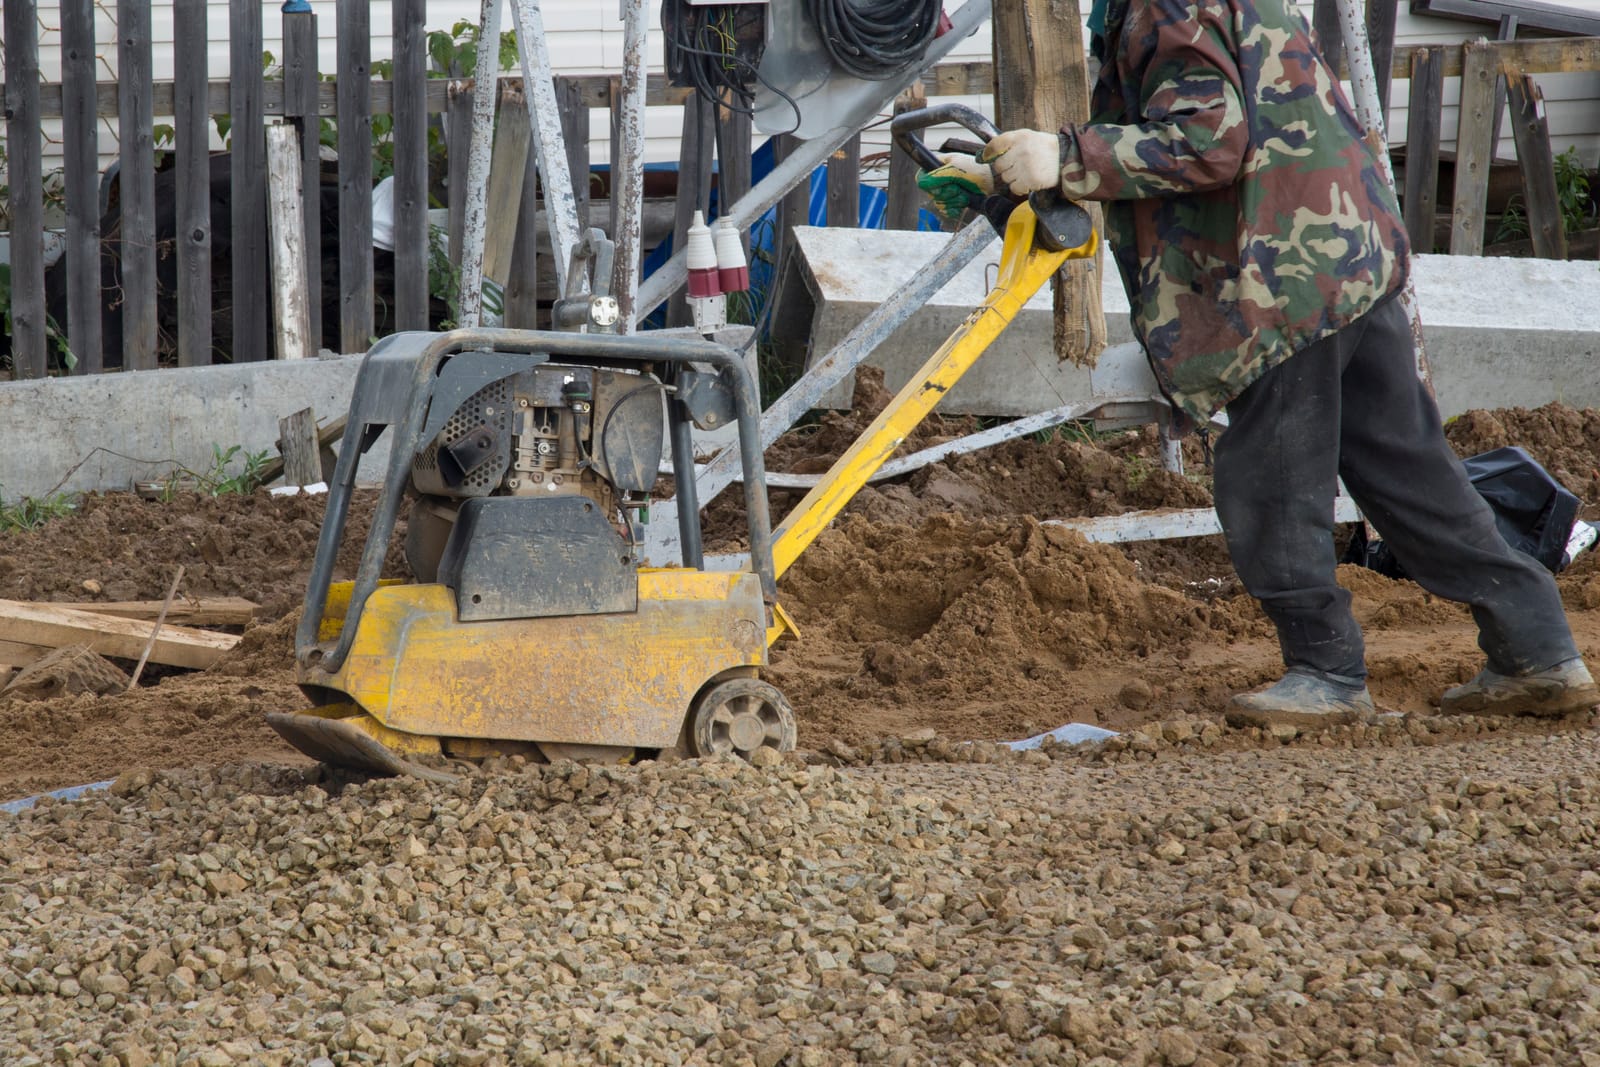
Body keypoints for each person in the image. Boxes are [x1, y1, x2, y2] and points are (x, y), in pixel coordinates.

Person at [921, 0, 1597, 729]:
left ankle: (1326, 670)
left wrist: (1068, 156)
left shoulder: (1165, 3)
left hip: (1284, 272)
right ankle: (1539, 649)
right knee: (1410, 472)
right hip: (1346, 249)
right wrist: (1022, 173)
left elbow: (1211, 137)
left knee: (1269, 480)